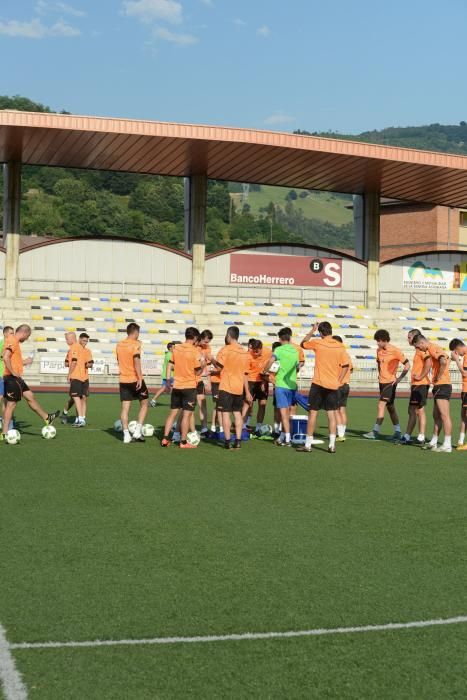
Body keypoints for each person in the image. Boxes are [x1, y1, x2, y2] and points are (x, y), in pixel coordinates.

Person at [1, 324, 59, 441]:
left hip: (17, 378)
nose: (26, 339)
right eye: (27, 336)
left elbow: (12, 359)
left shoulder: (15, 341)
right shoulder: (12, 340)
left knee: (30, 396)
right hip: (12, 378)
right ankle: (4, 433)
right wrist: (12, 371)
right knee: (11, 405)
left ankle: (47, 417)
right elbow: (5, 357)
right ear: (25, 333)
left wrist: (23, 363)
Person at [298, 322, 349, 453]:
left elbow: (302, 344)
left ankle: (308, 445)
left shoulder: (318, 342)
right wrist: (338, 380)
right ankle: (332, 445)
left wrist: (311, 330)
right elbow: (346, 366)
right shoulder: (340, 346)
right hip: (333, 385)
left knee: (313, 413)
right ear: (331, 331)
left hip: (318, 383)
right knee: (331, 414)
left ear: (321, 333)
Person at [363, 330, 409, 441]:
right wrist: (379, 375)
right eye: (377, 341)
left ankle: (375, 431)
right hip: (382, 382)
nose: (377, 343)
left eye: (379, 341)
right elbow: (379, 363)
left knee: (381, 405)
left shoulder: (395, 351)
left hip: (390, 383)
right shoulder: (378, 350)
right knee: (390, 407)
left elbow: (407, 365)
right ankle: (398, 432)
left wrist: (399, 379)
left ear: (385, 340)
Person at [161, 327, 202, 448]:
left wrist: (168, 382)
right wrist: (203, 364)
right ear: (194, 337)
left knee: (172, 413)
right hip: (189, 387)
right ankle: (183, 442)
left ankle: (165, 439)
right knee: (186, 415)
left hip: (177, 386)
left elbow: (169, 366)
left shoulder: (176, 349)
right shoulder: (195, 352)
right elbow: (198, 372)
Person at [211, 326, 250, 450]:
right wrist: (247, 391)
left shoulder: (225, 350)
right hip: (239, 387)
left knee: (225, 414)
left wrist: (211, 360)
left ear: (228, 335)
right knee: (237, 414)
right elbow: (245, 373)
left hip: (226, 386)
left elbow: (219, 367)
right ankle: (238, 441)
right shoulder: (244, 352)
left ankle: (227, 441)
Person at [413, 334, 453, 453]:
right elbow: (447, 359)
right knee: (436, 415)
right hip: (439, 386)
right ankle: (434, 441)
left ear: (421, 343)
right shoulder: (432, 349)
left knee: (444, 415)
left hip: (442, 385)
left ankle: (447, 444)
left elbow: (443, 361)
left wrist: (438, 376)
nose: (420, 350)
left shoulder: (432, 347)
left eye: (419, 347)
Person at [263, 329, 299, 447]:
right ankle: (284, 436)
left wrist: (266, 370)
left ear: (280, 339)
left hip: (281, 385)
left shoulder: (278, 349)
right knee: (289, 412)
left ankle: (287, 438)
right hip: (292, 385)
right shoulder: (295, 350)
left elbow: (271, 361)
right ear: (290, 338)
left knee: (283, 413)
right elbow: (297, 367)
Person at [116, 323, 149, 444]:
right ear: (136, 332)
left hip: (123, 380)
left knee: (125, 409)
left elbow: (119, 360)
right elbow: (136, 361)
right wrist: (140, 378)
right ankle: (137, 431)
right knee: (145, 404)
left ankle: (126, 435)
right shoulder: (135, 344)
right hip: (135, 379)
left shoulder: (119, 345)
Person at [398, 329, 431, 446]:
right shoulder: (418, 349)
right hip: (418, 384)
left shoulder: (421, 350)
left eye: (409, 337)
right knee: (416, 410)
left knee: (414, 410)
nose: (408, 339)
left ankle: (409, 436)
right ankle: (419, 436)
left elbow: (428, 363)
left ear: (415, 337)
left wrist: (421, 376)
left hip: (420, 384)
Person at [242, 339, 271, 436]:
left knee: (263, 404)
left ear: (261, 348)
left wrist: (264, 381)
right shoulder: (247, 356)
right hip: (250, 381)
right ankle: (243, 426)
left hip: (263, 381)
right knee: (247, 403)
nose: (255, 353)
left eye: (257, 351)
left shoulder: (268, 352)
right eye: (253, 351)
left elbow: (272, 366)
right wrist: (247, 391)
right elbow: (244, 375)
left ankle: (258, 428)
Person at [67, 332, 92, 428]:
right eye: (84, 340)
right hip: (80, 377)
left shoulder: (80, 348)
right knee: (79, 398)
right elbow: (72, 361)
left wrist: (69, 374)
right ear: (79, 339)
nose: (85, 342)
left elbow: (74, 361)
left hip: (79, 377)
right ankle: (79, 419)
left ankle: (81, 419)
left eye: (86, 341)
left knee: (78, 397)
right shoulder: (78, 348)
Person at [332, 335, 353, 442]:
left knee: (335, 410)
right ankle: (342, 433)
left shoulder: (337, 354)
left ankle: (340, 434)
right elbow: (351, 369)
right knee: (342, 410)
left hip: (339, 385)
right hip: (346, 385)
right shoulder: (347, 355)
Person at [448, 338, 467, 450]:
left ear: (458, 347)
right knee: (463, 414)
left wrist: (456, 360)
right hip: (465, 389)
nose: (457, 354)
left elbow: (464, 373)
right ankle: (460, 441)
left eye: (456, 351)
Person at [197, 330, 214, 436]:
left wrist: (208, 381)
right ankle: (178, 427)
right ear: (200, 338)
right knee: (185, 405)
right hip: (188, 379)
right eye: (205, 341)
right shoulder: (193, 347)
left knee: (202, 402)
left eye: (208, 342)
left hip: (199, 379)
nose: (207, 344)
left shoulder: (207, 348)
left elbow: (207, 365)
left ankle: (203, 429)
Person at [149, 342, 175, 407]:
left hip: (169, 375)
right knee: (166, 388)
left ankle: (153, 400)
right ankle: (153, 400)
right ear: (170, 348)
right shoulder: (170, 355)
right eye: (174, 347)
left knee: (166, 388)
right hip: (169, 375)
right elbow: (171, 366)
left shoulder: (170, 354)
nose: (175, 348)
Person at [61, 332, 77, 424]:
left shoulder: (80, 348)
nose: (66, 341)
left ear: (72, 338)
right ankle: (65, 413)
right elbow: (66, 363)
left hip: (82, 377)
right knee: (75, 398)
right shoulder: (70, 350)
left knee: (81, 398)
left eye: (67, 339)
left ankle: (80, 418)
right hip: (75, 376)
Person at [0, 326, 14, 431]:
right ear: (5, 334)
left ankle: (7, 422)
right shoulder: (2, 343)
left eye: (13, 333)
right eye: (11, 333)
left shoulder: (12, 344)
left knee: (8, 400)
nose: (13, 335)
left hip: (8, 376)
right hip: (1, 375)